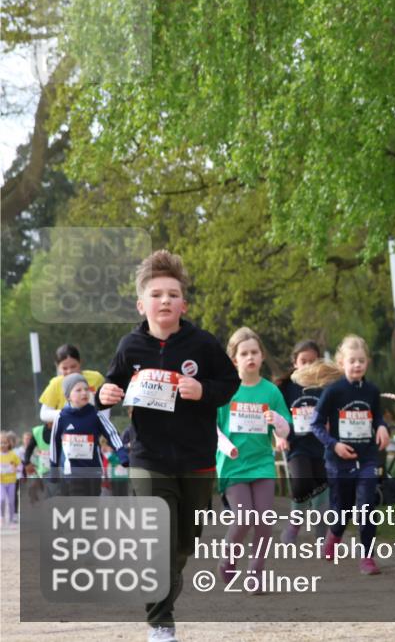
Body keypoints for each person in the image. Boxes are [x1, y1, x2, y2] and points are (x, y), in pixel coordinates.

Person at [97, 249, 240, 642]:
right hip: (148, 456)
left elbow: (229, 385)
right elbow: (111, 388)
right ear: (142, 304)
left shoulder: (203, 344)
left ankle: (164, 585)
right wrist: (103, 394)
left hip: (196, 458)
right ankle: (161, 623)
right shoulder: (130, 347)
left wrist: (202, 390)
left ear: (184, 304)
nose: (165, 301)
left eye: (172, 294)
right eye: (156, 294)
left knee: (184, 542)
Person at [215, 327, 291, 589]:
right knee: (244, 517)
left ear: (261, 356)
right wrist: (227, 448)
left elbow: (285, 427)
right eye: (244, 353)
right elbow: (210, 428)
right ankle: (227, 560)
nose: (250, 357)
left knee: (264, 521)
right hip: (233, 464)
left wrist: (278, 422)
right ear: (234, 359)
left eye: (254, 352)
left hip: (262, 462)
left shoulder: (270, 392)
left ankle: (255, 572)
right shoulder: (226, 391)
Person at [311, 334, 390, 574]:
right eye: (352, 360)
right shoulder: (334, 392)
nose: (357, 365)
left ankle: (367, 557)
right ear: (342, 363)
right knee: (342, 509)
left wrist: (383, 427)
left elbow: (376, 415)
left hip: (366, 458)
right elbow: (316, 424)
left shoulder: (372, 391)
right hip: (338, 461)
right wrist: (334, 445)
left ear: (367, 363)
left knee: (366, 505)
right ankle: (334, 535)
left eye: (361, 361)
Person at [274, 340, 332, 543]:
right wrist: (279, 436)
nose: (308, 366)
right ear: (295, 362)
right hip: (296, 444)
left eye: (312, 361)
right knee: (302, 483)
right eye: (303, 361)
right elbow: (274, 413)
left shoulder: (324, 385)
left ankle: (321, 532)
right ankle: (295, 522)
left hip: (321, 444)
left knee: (322, 486)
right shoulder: (286, 387)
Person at [50, 373, 128, 497]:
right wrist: (53, 469)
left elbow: (111, 433)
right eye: (78, 390)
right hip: (72, 473)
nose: (84, 393)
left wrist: (122, 453)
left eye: (86, 389)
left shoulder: (95, 414)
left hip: (94, 472)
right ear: (68, 396)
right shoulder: (61, 417)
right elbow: (54, 444)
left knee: (92, 509)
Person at [38, 344, 106, 424]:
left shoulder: (96, 378)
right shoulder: (55, 384)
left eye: (73, 366)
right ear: (57, 367)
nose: (69, 371)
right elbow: (44, 414)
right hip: (67, 431)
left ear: (80, 362)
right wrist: (69, 413)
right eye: (64, 368)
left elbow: (105, 405)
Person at [0, 433, 21, 525]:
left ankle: (12, 518)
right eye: (1, 443)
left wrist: (16, 468)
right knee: (2, 499)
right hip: (1, 482)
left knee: (11, 501)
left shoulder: (13, 455)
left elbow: (20, 466)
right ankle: (2, 517)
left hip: (12, 482)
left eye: (5, 443)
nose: (3, 445)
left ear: (9, 444)